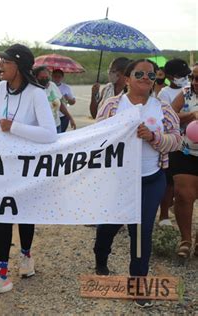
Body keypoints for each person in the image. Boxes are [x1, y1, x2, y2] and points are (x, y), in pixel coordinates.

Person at [93, 59, 181, 308]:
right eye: (139, 73)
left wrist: (153, 137)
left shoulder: (162, 109)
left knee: (141, 232)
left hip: (150, 180)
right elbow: (97, 137)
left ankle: (138, 285)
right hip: (117, 180)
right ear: (127, 78)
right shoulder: (112, 105)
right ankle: (100, 257)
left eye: (151, 75)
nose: (145, 77)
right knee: (109, 226)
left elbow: (176, 141)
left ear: (155, 80)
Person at [0, 44, 57, 296]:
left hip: (27, 166)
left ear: (20, 66)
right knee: (2, 216)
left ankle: (26, 255)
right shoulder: (1, 87)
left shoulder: (36, 93)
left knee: (25, 214)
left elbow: (49, 134)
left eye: (4, 62)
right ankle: (1, 274)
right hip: (3, 165)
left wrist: (13, 127)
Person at [157, 59, 191, 227]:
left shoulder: (191, 90)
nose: (185, 78)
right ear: (170, 77)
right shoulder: (165, 93)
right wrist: (191, 115)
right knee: (170, 181)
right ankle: (163, 215)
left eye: (187, 75)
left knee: (185, 184)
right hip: (175, 142)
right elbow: (167, 118)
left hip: (192, 144)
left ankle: (174, 207)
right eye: (181, 76)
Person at [169, 63, 198, 259]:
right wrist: (191, 115)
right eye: (193, 77)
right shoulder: (186, 93)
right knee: (183, 195)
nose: (195, 82)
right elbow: (169, 117)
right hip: (185, 152)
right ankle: (185, 240)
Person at [34, 66, 76, 133]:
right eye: (42, 77)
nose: (44, 79)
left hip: (56, 125)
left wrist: (70, 118)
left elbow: (60, 104)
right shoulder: (33, 89)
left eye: (46, 77)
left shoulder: (52, 85)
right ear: (36, 77)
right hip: (41, 127)